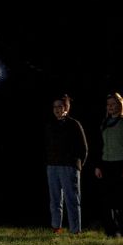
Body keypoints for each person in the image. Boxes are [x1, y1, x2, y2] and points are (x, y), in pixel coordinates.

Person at [93, 92, 123, 239]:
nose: (111, 107)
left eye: (113, 104)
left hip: (122, 165)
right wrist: (98, 165)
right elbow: (99, 146)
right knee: (107, 201)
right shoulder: (104, 123)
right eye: (109, 104)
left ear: (120, 105)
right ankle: (111, 232)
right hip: (106, 165)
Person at [44, 94, 88, 235]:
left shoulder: (74, 124)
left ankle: (75, 230)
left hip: (69, 166)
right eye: (54, 107)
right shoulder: (50, 125)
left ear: (66, 108)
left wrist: (77, 165)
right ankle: (56, 227)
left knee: (72, 199)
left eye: (60, 106)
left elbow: (83, 148)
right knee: (55, 199)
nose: (57, 109)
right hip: (52, 166)